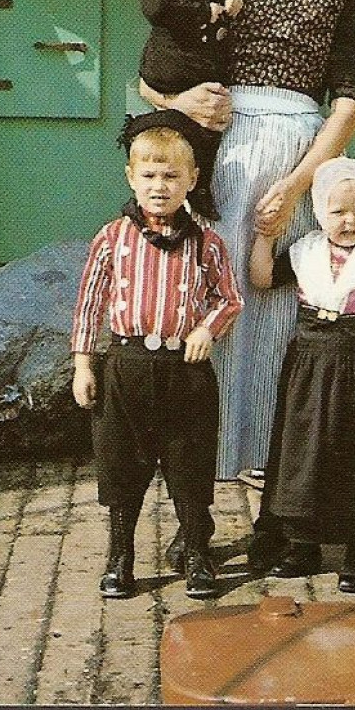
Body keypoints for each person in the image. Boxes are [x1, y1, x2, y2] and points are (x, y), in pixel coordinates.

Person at [137, 0, 355, 490]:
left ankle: (274, 450)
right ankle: (208, 452)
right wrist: (178, 104)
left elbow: (349, 100)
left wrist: (299, 182)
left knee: (282, 299)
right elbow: (152, 67)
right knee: (216, 290)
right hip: (222, 145)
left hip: (302, 150)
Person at [69, 110, 243, 601]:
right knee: (122, 466)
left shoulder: (207, 242)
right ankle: (119, 556)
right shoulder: (112, 238)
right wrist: (84, 364)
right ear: (131, 176)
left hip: (184, 369)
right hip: (125, 366)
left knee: (189, 465)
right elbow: (89, 302)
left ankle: (195, 553)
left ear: (192, 179)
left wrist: (208, 328)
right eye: (149, 176)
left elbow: (229, 299)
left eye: (171, 176)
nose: (160, 186)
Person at [249, 157, 355, 593]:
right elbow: (262, 278)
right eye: (338, 211)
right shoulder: (305, 251)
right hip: (309, 367)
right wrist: (264, 237)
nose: (349, 220)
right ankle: (302, 547)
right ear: (320, 212)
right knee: (303, 455)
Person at [134, 0, 244, 220]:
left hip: (200, 65)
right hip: (172, 67)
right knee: (170, 139)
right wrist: (206, 12)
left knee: (206, 133)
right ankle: (156, 202)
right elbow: (158, 8)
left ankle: (200, 189)